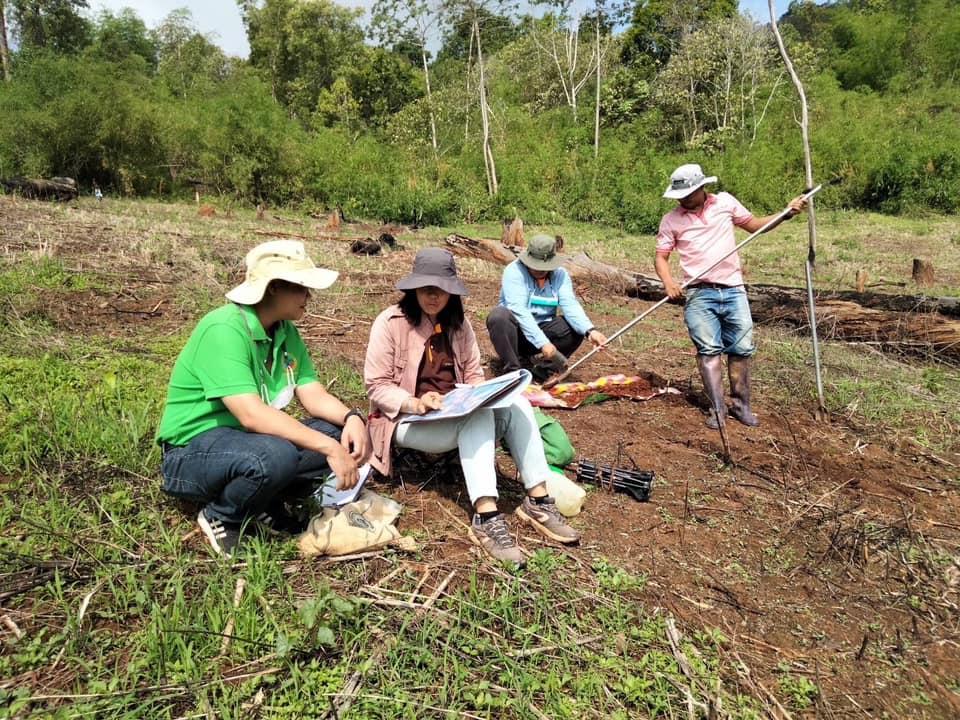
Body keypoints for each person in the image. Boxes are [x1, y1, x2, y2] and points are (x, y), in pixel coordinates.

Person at [364, 248, 580, 567]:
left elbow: (474, 376)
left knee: (517, 403)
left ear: (452, 291)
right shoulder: (391, 322)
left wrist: (491, 392)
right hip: (408, 420)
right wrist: (414, 402)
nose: (433, 296)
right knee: (475, 416)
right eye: (426, 288)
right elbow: (377, 386)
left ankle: (538, 499)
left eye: (441, 289)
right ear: (414, 289)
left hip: (454, 412)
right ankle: (487, 517)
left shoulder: (458, 325)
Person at [157, 240, 370, 557]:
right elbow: (251, 415)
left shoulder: (284, 332)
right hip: (191, 454)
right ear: (273, 288)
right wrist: (328, 449)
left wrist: (352, 419)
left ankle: (261, 501)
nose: (308, 296)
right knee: (276, 455)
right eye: (302, 287)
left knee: (336, 433)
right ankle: (222, 515)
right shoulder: (224, 329)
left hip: (245, 443)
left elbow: (311, 392)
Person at [654, 163, 808, 429]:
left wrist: (785, 214)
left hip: (733, 289)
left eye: (688, 194)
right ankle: (717, 409)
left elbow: (755, 225)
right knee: (708, 350)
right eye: (680, 195)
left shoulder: (724, 203)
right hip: (699, 292)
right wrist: (668, 282)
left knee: (741, 349)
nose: (683, 199)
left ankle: (741, 405)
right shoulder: (671, 219)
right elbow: (661, 257)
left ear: (702, 188)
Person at [486, 234, 607, 380]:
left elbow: (570, 305)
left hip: (544, 329)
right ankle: (513, 371)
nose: (539, 270)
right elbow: (519, 310)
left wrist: (590, 331)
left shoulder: (560, 275)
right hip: (516, 333)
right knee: (499, 317)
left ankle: (545, 369)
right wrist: (542, 343)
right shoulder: (514, 271)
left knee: (574, 328)